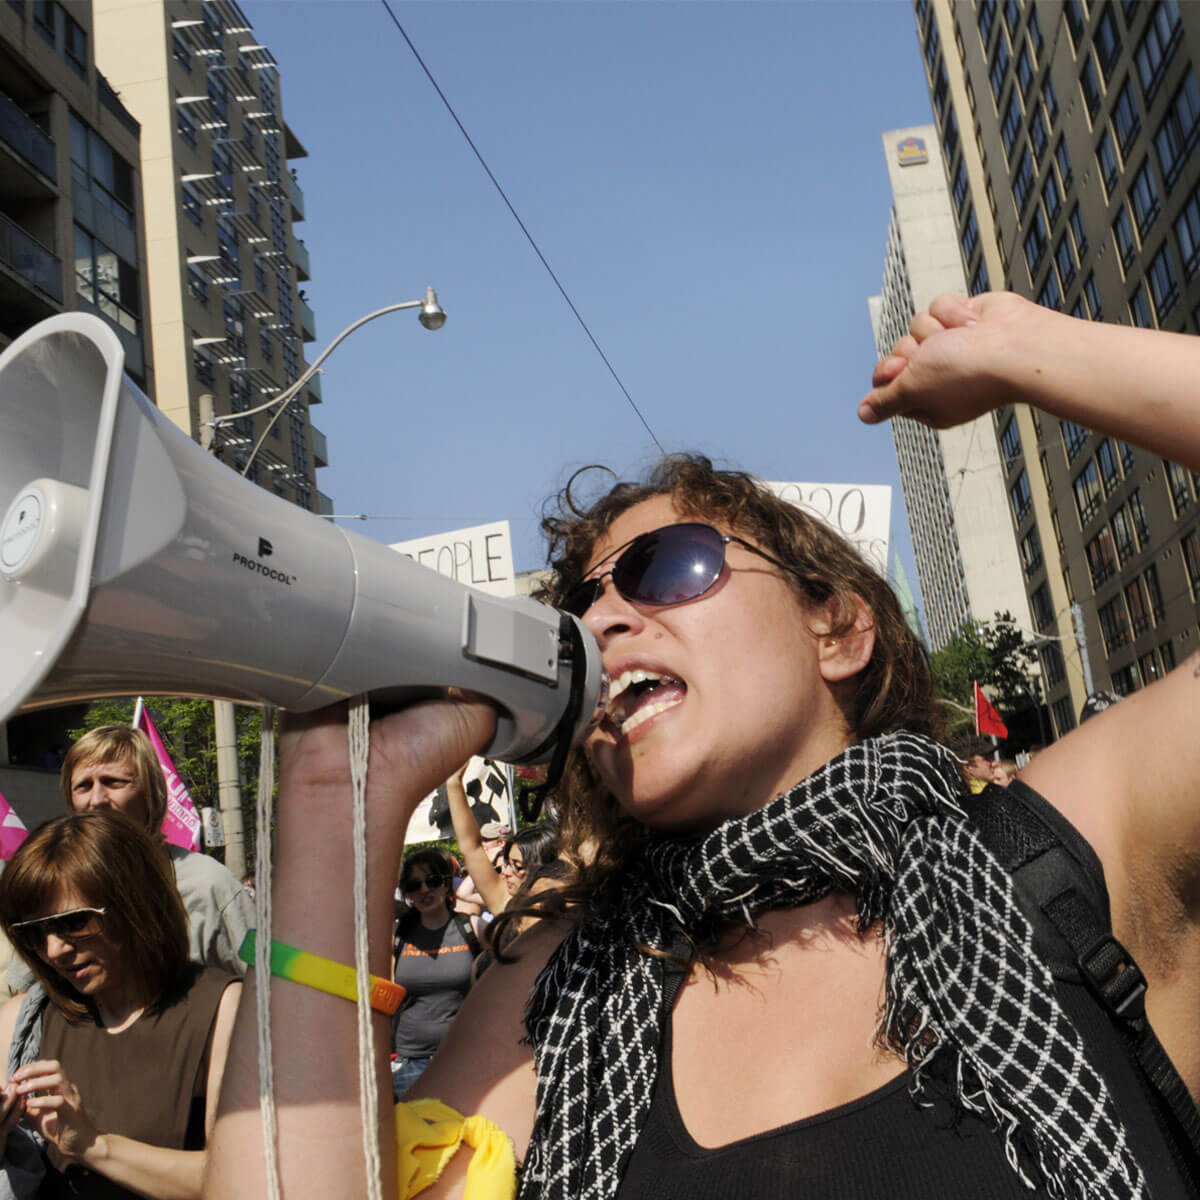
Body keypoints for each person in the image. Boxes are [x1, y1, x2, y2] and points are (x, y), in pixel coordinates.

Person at [207, 291, 1200, 1199]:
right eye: (575, 608)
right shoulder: (560, 989)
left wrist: (1031, 350)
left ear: (839, 629)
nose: (604, 619)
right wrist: (336, 799)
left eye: (665, 567)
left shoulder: (1073, 848)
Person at [0, 810, 240, 1198]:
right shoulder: (23, 1021)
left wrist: (93, 1145)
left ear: (136, 905)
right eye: (33, 933)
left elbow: (238, 1180)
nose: (54, 950)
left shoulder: (222, 1008)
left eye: (75, 922)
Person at [7, 728, 251, 994]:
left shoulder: (208, 884)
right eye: (84, 786)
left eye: (113, 782)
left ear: (152, 794)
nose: (97, 800)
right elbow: (20, 996)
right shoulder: (55, 884)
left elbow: (282, 970)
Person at [390, 849, 480, 1100]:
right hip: (409, 1061)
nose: (424, 890)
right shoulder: (397, 937)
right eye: (414, 885)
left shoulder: (472, 928)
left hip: (464, 1057)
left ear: (445, 884)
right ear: (406, 893)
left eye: (432, 881)